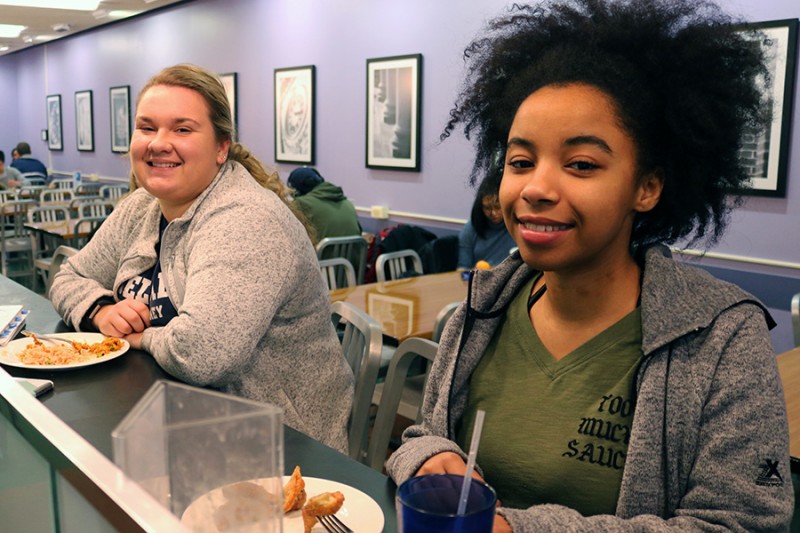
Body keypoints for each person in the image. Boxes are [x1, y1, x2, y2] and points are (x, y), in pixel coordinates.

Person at [385, 1, 792, 531]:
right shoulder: (480, 313)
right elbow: (423, 435)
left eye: (581, 165)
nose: (535, 188)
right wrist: (431, 456)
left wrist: (518, 528)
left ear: (646, 187)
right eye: (520, 161)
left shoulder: (721, 339)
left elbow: (743, 524)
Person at [49, 64, 353, 453]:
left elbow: (202, 353)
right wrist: (101, 310)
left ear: (221, 147)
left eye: (182, 129)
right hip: (184, 426)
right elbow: (68, 276)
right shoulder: (143, 206)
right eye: (146, 127)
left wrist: (137, 336)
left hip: (281, 450)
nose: (159, 143)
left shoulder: (246, 220)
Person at [287, 166, 361, 241]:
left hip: (320, 252)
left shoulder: (301, 203)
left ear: (297, 192)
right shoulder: (347, 203)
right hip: (355, 252)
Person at [458, 176, 516, 269]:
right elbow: (462, 271)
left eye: (498, 207)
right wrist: (472, 275)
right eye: (487, 208)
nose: (493, 213)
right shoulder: (470, 229)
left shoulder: (517, 226)